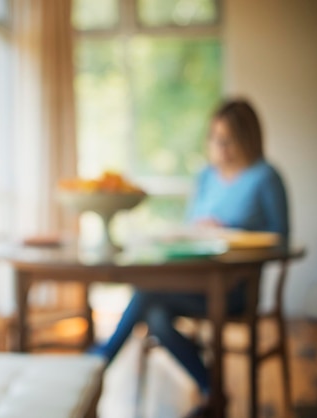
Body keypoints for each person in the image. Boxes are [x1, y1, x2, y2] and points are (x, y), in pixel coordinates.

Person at [89, 98, 289, 413]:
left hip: (236, 289)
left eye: (228, 141)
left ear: (247, 139)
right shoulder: (207, 177)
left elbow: (282, 241)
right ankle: (212, 388)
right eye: (215, 139)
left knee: (146, 296)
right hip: (195, 280)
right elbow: (193, 225)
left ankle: (97, 362)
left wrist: (231, 233)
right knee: (153, 313)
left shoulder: (265, 177)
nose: (220, 149)